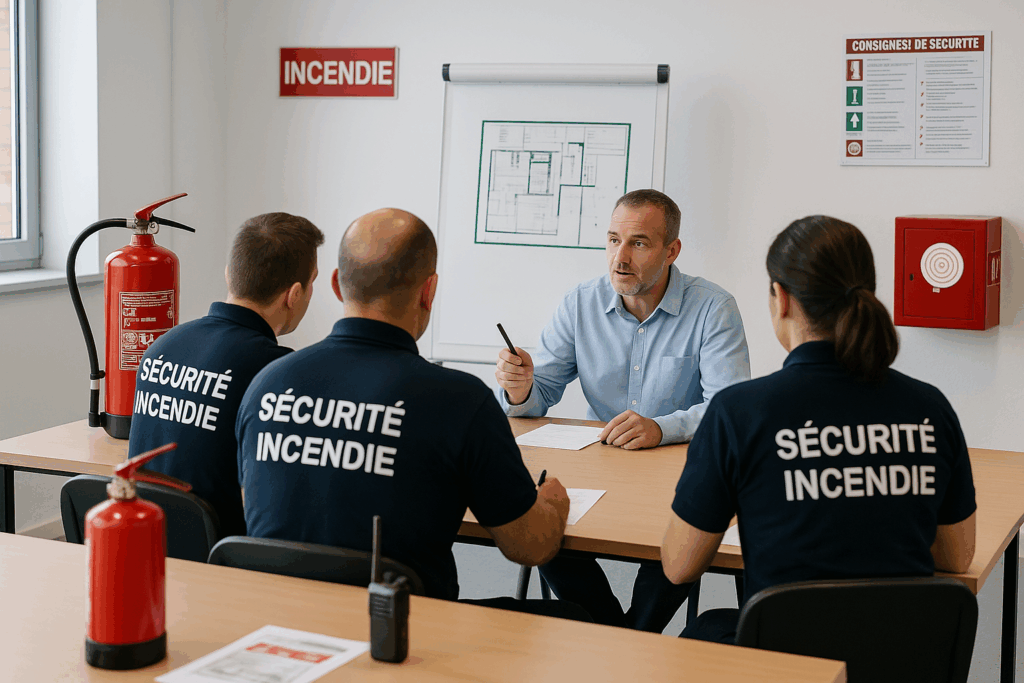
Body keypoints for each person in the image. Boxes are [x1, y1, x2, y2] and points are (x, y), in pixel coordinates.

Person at [236, 208, 589, 621]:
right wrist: (552, 505)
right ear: (429, 291)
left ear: (335, 284)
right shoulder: (459, 400)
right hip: (402, 637)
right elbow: (529, 547)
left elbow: (254, 508)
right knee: (584, 618)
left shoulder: (268, 382)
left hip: (279, 628)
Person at [662, 215, 977, 644]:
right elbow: (957, 557)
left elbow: (679, 566)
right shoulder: (929, 408)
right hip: (899, 661)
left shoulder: (741, 412)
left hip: (782, 666)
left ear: (782, 299)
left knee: (706, 630)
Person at [494, 189, 750, 629]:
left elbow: (729, 409)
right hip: (606, 474)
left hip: (679, 479)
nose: (620, 258)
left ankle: (632, 637)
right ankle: (621, 636)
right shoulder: (580, 302)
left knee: (680, 537)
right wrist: (519, 388)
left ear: (672, 251)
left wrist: (661, 428)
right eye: (613, 240)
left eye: (639, 243)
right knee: (545, 525)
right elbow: (541, 393)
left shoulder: (713, 308)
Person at [128, 212, 324, 537]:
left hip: (147, 544)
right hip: (222, 562)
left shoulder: (162, 346)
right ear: (295, 294)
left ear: (229, 274)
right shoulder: (276, 373)